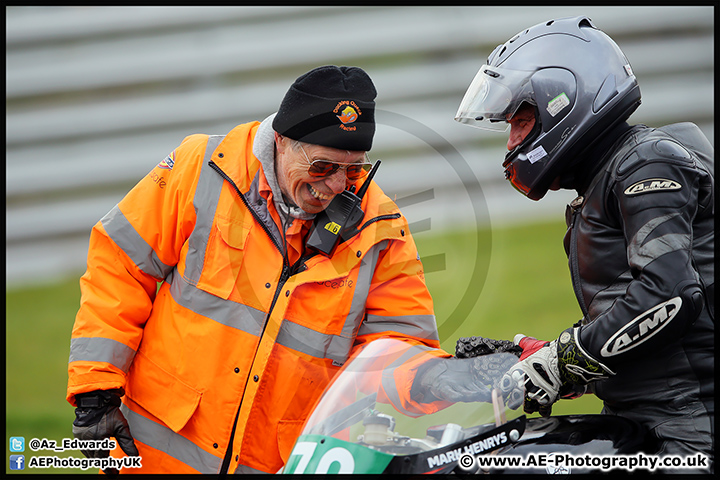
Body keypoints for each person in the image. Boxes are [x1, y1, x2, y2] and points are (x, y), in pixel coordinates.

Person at [67, 65, 515, 475]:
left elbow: (397, 350)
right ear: (280, 141)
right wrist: (95, 390)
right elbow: (120, 264)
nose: (334, 186)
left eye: (353, 171)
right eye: (321, 167)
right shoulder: (200, 167)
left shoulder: (382, 230)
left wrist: (442, 377)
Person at [454, 16, 713, 472]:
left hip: (691, 426)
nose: (512, 143)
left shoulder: (645, 165)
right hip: (649, 417)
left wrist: (566, 359)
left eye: (522, 121)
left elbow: (670, 294)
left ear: (565, 102)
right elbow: (638, 315)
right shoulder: (608, 176)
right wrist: (543, 359)